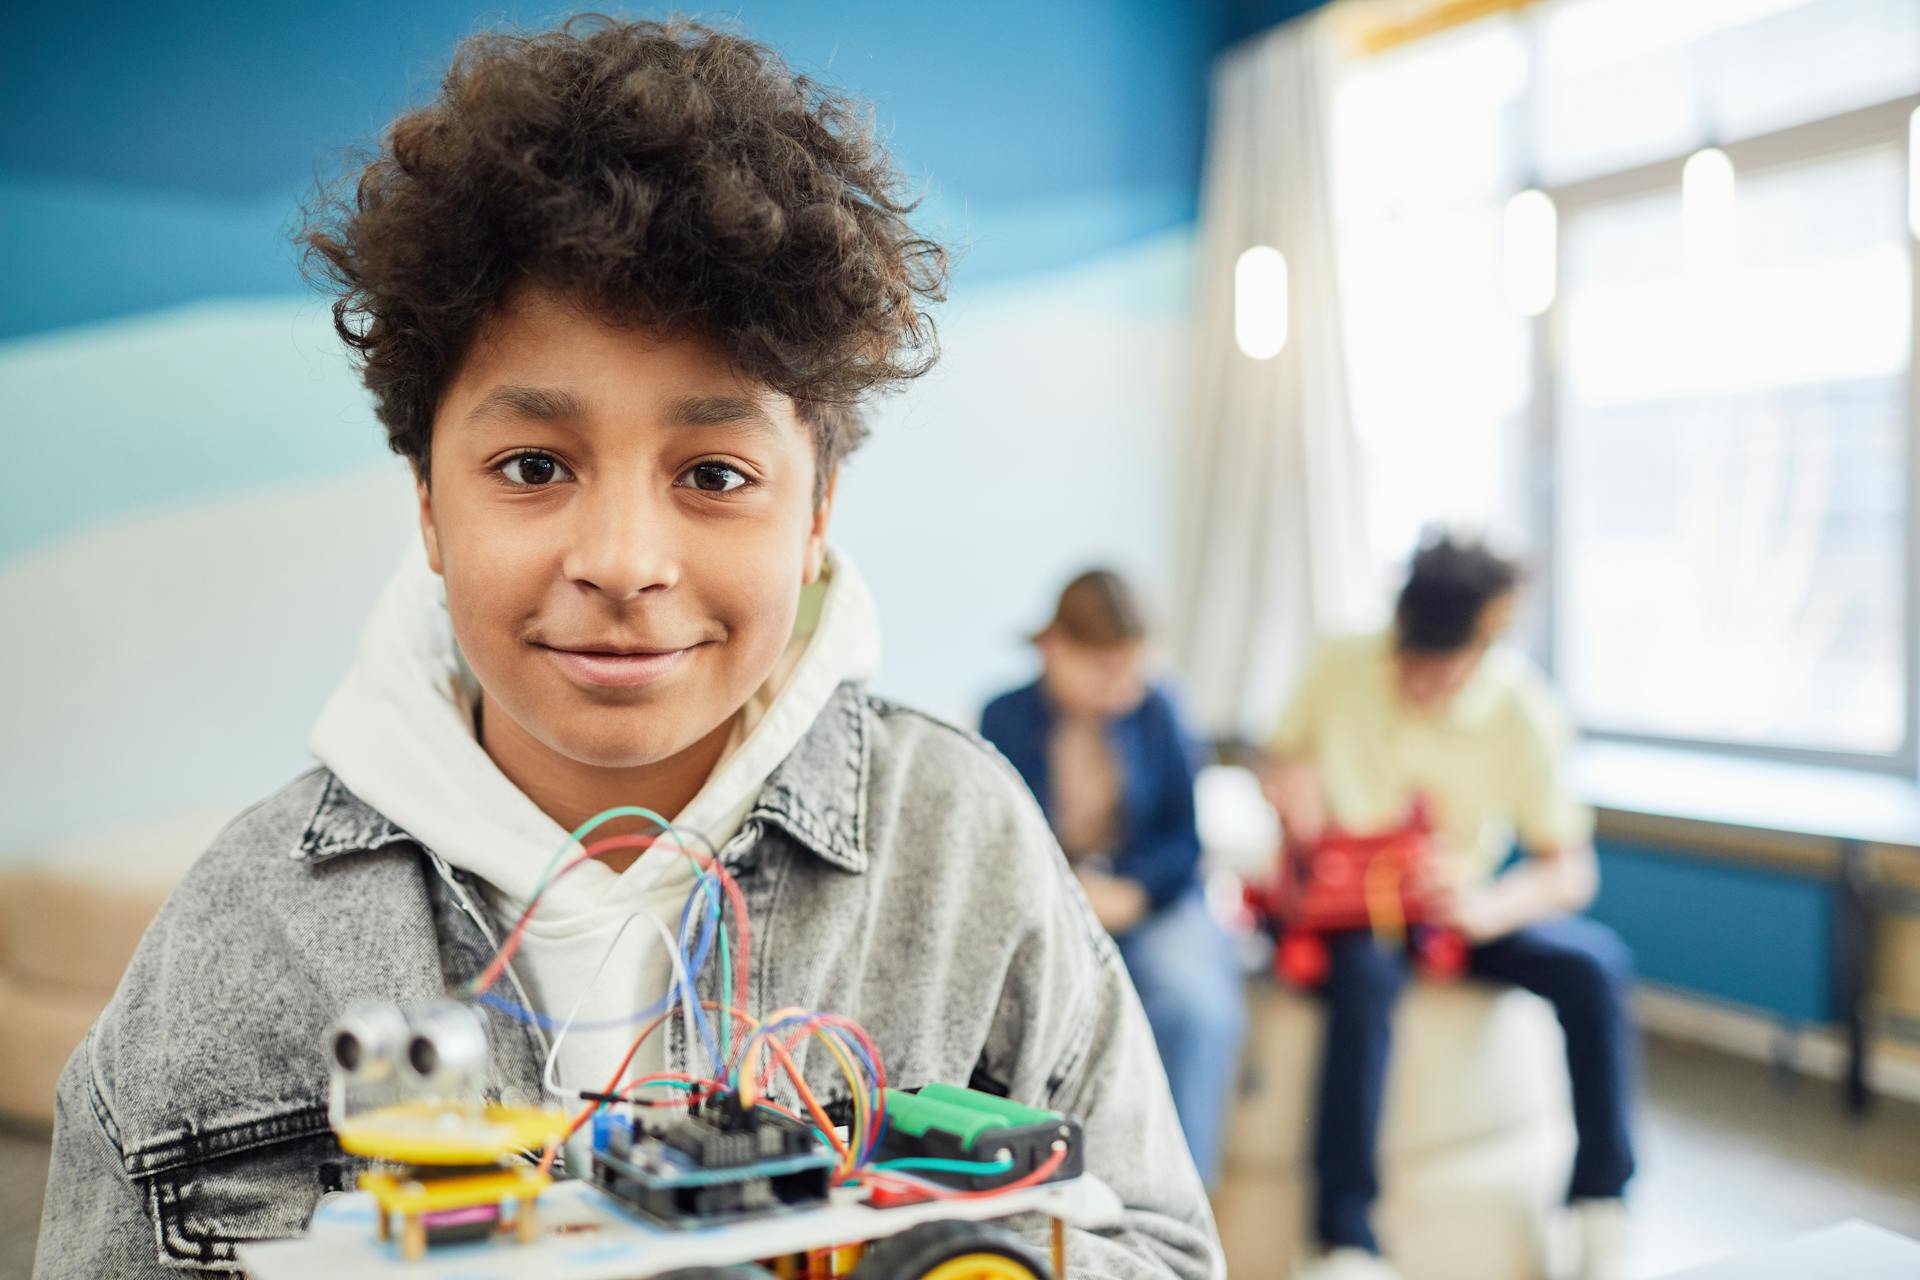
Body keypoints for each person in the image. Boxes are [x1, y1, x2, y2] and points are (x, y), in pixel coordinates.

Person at [33, 19, 1220, 1279]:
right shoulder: (244, 939)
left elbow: (1158, 1247)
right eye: (533, 466)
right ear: (428, 503)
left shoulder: (967, 855)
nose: (622, 559)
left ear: (816, 515)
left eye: (715, 473)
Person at [1264, 534, 1635, 1280]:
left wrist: (1487, 909)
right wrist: (1291, 790)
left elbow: (1568, 870)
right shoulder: (1341, 661)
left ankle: (1601, 1203)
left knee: (1596, 966)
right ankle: (1344, 1238)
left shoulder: (1524, 711)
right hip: (1350, 911)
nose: (1419, 682)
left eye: (1440, 670)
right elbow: (1279, 759)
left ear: (1485, 641)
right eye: (1409, 661)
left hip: (1459, 909)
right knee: (1364, 982)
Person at [982, 570, 1247, 1189]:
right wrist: (1069, 892)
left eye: (1133, 668)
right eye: (1105, 671)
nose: (1123, 689)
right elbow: (1004, 839)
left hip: (1149, 896)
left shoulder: (1160, 709)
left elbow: (1184, 843)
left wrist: (1130, 893)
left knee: (1192, 1006)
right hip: (1051, 898)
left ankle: (1178, 1199)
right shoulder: (1005, 717)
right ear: (1055, 649)